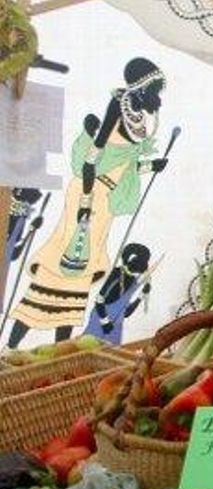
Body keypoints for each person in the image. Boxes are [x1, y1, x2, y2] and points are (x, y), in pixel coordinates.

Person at [7, 57, 168, 348]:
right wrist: (85, 200)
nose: (158, 96)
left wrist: (150, 166)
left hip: (106, 201)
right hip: (88, 191)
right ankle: (13, 343)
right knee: (64, 262)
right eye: (155, 89)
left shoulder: (139, 116)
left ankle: (60, 349)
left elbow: (123, 165)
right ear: (142, 87)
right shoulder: (117, 106)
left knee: (83, 273)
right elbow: (94, 158)